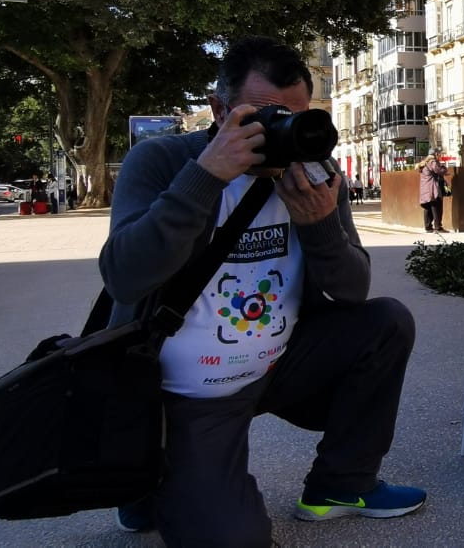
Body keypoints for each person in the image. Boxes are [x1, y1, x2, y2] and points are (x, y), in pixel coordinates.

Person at [98, 36, 422, 544]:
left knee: (385, 322)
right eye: (265, 117)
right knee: (237, 539)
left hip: (276, 366)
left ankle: (342, 484)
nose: (283, 133)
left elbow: (352, 291)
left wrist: (319, 227)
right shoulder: (163, 162)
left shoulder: (314, 173)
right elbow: (126, 276)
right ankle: (147, 479)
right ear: (219, 109)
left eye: (295, 117)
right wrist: (205, 178)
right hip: (184, 394)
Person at [418, 151, 448, 233]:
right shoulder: (432, 162)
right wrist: (444, 168)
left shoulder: (424, 163)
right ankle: (438, 227)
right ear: (435, 154)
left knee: (427, 208)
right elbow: (438, 171)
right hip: (432, 188)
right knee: (436, 207)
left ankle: (428, 227)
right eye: (439, 154)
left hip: (425, 189)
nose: (440, 155)